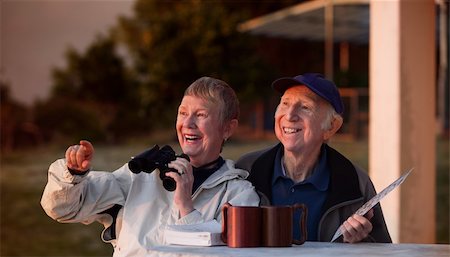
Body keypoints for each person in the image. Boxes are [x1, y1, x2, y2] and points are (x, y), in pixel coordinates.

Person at [41, 77, 259, 256]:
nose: (188, 123)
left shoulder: (239, 195)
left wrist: (186, 208)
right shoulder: (141, 175)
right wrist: (73, 174)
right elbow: (64, 210)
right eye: (183, 113)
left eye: (201, 115)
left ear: (228, 128)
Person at [236, 73, 391, 243]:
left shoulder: (356, 182)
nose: (289, 115)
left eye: (305, 107)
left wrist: (361, 243)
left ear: (331, 126)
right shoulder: (245, 171)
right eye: (285, 103)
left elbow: (381, 249)